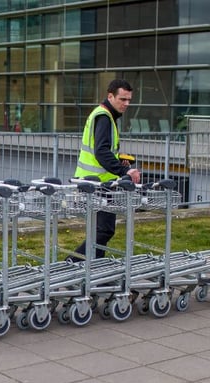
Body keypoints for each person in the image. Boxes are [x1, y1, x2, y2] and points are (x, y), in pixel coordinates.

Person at [70, 79, 141, 261]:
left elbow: (103, 150)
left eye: (129, 100)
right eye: (122, 99)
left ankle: (94, 272)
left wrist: (118, 161)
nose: (126, 104)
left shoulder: (106, 116)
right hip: (96, 184)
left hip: (98, 183)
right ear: (110, 96)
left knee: (101, 231)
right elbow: (101, 151)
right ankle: (71, 265)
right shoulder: (104, 117)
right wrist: (124, 171)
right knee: (104, 230)